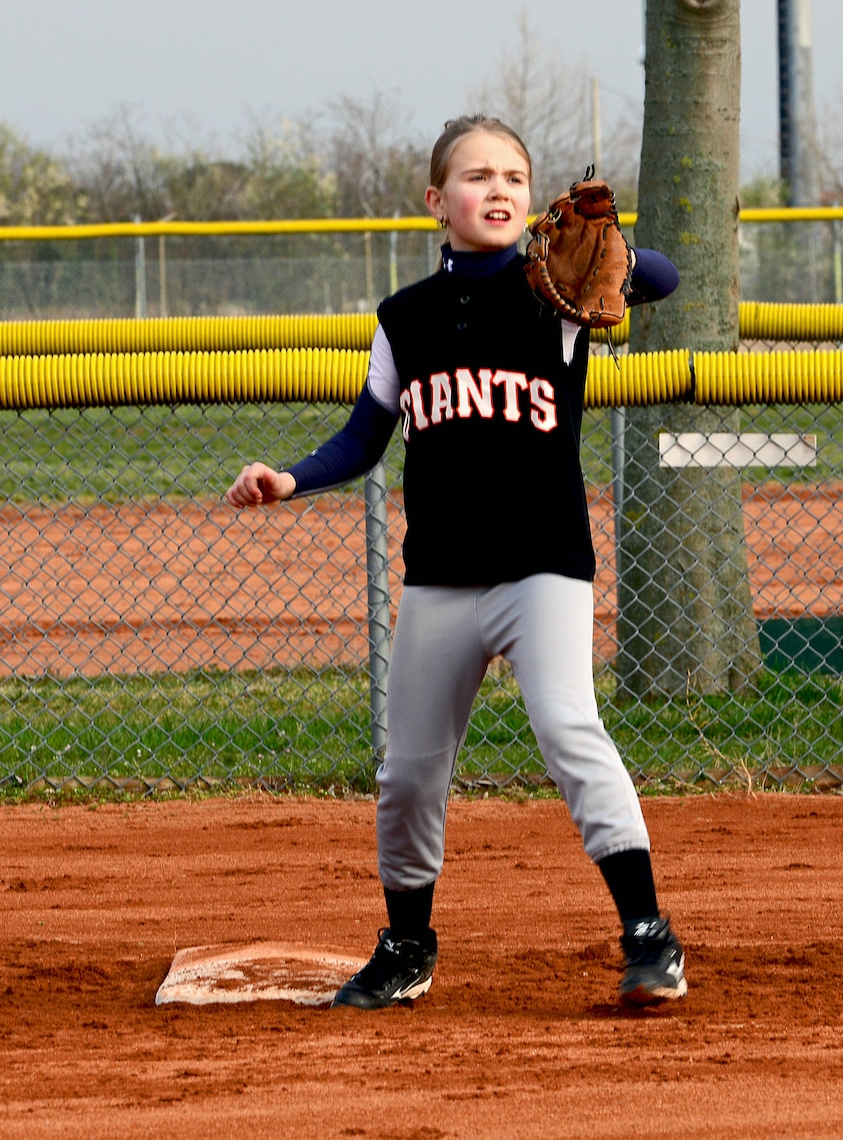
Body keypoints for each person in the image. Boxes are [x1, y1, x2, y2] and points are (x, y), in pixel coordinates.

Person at [226, 116, 688, 1009]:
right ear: (438, 202)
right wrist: (287, 477)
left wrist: (618, 248)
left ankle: (649, 934)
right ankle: (407, 946)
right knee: (408, 771)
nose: (501, 189)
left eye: (515, 176)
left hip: (541, 569)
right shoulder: (405, 319)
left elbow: (662, 280)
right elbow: (365, 437)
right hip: (439, 579)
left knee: (567, 728)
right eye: (478, 177)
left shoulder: (557, 294)